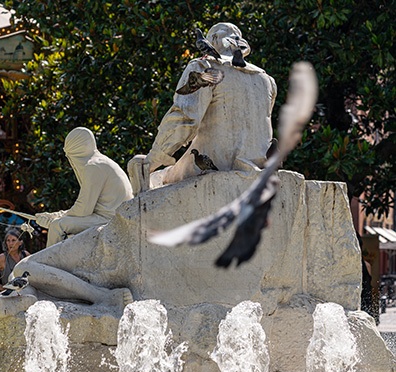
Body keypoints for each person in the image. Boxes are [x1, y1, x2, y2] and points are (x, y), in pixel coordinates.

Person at [128, 22, 278, 194]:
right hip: (258, 169)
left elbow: (184, 119)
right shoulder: (267, 80)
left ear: (212, 41)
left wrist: (152, 160)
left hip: (211, 167)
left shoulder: (204, 67)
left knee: (156, 180)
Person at [35, 127, 134, 247]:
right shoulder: (101, 162)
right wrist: (56, 215)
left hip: (110, 219)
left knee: (58, 226)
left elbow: (84, 209)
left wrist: (56, 218)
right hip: (111, 215)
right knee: (59, 222)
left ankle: (46, 263)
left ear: (75, 152)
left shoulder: (93, 167)